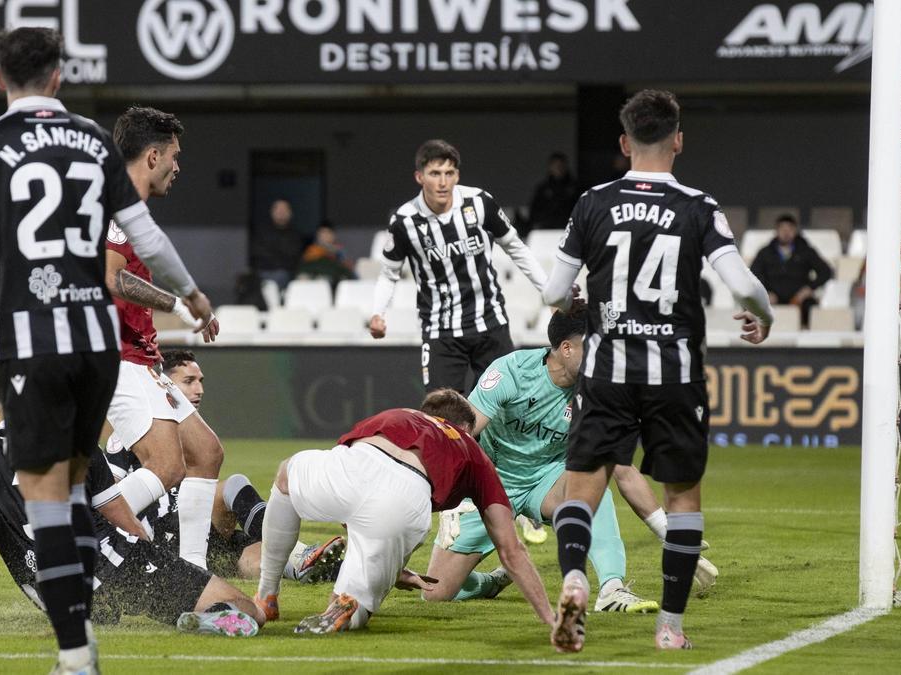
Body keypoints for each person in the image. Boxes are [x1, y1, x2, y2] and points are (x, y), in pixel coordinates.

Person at [0, 27, 212, 674]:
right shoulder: (92, 138)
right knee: (74, 488)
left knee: (49, 504)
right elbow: (145, 236)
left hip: (34, 340)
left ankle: (76, 653)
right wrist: (191, 295)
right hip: (95, 343)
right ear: (59, 77)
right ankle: (90, 625)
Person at [541, 90, 774, 653]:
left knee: (582, 488)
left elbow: (553, 292)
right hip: (675, 373)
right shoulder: (698, 205)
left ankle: (575, 579)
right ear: (679, 141)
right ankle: (669, 627)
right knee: (683, 498)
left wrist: (571, 298)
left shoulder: (593, 202)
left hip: (607, 372)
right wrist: (761, 316)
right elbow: (743, 285)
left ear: (625, 143)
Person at [0, 365, 263, 636]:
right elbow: (118, 513)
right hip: (117, 563)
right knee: (249, 610)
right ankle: (207, 616)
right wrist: (155, 554)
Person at [254, 389, 556, 634]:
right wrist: (548, 616)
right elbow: (510, 549)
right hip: (406, 498)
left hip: (360, 460)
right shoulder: (473, 452)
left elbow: (351, 495)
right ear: (466, 429)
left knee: (286, 477)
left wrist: (394, 567)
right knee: (354, 597)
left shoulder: (400, 413)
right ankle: (349, 605)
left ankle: (267, 594)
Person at [425, 310, 655, 613]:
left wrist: (670, 535)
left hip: (548, 477)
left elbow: (624, 469)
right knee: (435, 591)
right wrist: (449, 493)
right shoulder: (512, 371)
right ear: (566, 348)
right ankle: (491, 582)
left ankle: (612, 588)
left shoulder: (600, 388)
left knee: (593, 478)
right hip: (492, 480)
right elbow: (463, 435)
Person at [102, 106, 224, 571]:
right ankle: (84, 533)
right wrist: (179, 304)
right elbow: (113, 278)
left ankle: (193, 570)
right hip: (116, 358)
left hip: (141, 359)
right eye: (174, 156)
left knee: (206, 453)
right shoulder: (116, 207)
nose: (178, 166)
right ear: (152, 156)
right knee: (167, 465)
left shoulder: (127, 208)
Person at [105, 348, 346, 583]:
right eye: (188, 381)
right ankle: (300, 553)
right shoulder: (134, 431)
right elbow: (109, 490)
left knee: (255, 558)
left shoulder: (193, 433)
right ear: (163, 384)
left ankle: (329, 570)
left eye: (200, 381)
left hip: (200, 524)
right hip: (162, 530)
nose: (199, 389)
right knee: (233, 485)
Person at [369, 140, 549, 394]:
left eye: (449, 173)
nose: (443, 182)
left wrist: (549, 291)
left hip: (490, 323)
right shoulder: (404, 221)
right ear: (419, 177)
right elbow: (389, 274)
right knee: (441, 410)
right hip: (441, 331)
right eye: (435, 174)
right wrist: (378, 313)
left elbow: (516, 247)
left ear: (457, 176)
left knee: (502, 403)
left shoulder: (479, 202)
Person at [749, 214, 833, 327]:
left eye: (790, 229)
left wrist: (809, 289)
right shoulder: (765, 252)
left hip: (798, 299)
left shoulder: (806, 251)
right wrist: (765, 292)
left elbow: (826, 272)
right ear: (776, 231)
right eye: (782, 229)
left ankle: (807, 333)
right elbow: (753, 274)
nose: (786, 233)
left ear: (795, 231)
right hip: (772, 297)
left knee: (811, 307)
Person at [251, 199, 305, 290]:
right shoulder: (262, 232)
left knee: (285, 276)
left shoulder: (295, 234)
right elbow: (259, 254)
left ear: (290, 213)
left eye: (284, 210)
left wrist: (277, 253)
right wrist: (280, 255)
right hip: (264, 270)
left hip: (288, 272)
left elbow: (294, 256)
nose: (281, 213)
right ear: (272, 212)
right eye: (279, 210)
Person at [527, 152, 579, 232]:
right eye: (555, 165)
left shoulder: (575, 188)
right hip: (546, 230)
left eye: (561, 165)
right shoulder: (542, 189)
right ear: (550, 167)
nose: (559, 168)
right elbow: (534, 212)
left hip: (569, 229)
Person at [297, 222, 355, 289]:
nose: (325, 236)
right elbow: (305, 269)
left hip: (336, 282)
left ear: (333, 235)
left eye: (328, 233)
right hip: (315, 280)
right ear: (317, 235)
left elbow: (348, 270)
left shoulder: (340, 252)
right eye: (322, 233)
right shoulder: (311, 251)